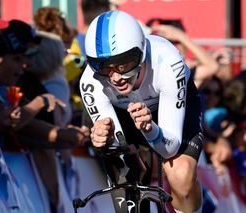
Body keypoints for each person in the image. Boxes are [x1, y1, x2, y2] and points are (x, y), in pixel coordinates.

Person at [80, 11, 203, 213]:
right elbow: (115, 146)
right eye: (104, 67)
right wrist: (104, 139)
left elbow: (169, 148)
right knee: (125, 180)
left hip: (169, 107)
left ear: (142, 53)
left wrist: (150, 129)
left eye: (123, 64)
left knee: (180, 176)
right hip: (125, 114)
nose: (116, 77)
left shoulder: (169, 64)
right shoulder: (90, 81)